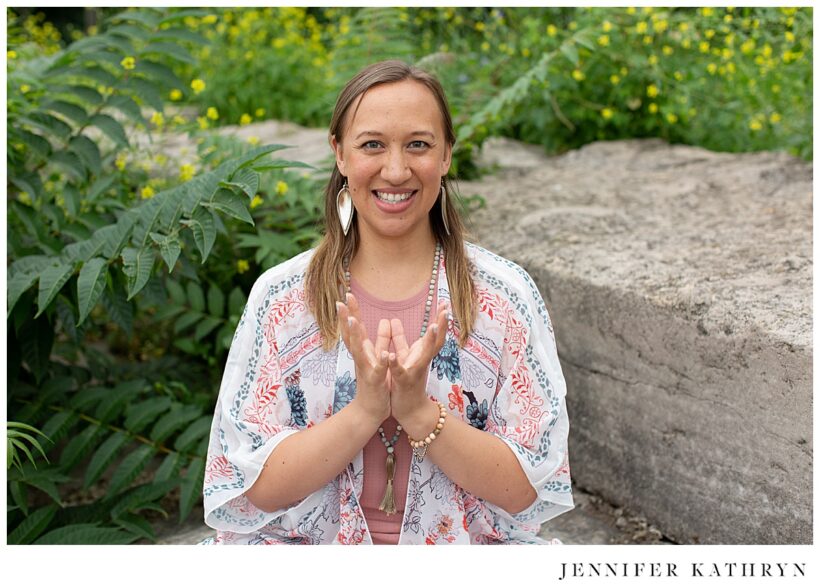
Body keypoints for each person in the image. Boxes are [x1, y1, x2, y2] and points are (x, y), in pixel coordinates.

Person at [201, 60, 573, 545]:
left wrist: (420, 412)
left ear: (446, 156)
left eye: (418, 144)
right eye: (372, 144)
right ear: (339, 153)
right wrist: (365, 410)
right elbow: (259, 489)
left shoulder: (504, 296)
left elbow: (524, 488)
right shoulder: (281, 297)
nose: (396, 170)